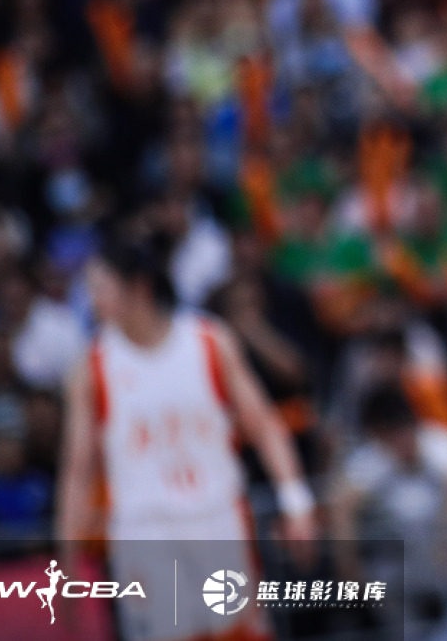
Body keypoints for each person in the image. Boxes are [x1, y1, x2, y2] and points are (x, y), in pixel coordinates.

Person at [56, 233, 317, 641]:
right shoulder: (91, 368)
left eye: (101, 287)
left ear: (138, 287)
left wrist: (296, 501)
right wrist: (67, 561)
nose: (93, 300)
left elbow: (264, 425)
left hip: (217, 517)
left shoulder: (209, 341)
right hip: (145, 531)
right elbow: (78, 471)